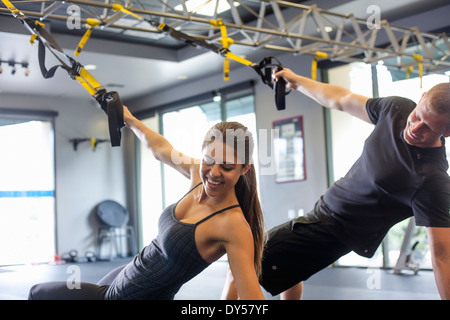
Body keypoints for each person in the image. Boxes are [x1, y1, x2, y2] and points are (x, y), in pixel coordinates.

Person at [222, 68, 450, 300]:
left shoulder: (431, 179)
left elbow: (443, 256)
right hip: (321, 212)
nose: (415, 128)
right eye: (418, 116)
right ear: (420, 99)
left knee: (242, 261)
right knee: (289, 274)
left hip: (333, 232)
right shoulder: (397, 109)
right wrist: (297, 81)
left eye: (429, 128)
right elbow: (341, 99)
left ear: (448, 132)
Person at [28, 107, 266, 300]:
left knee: (38, 294)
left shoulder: (233, 225)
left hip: (127, 296)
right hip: (126, 274)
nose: (213, 173)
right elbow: (161, 148)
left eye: (226, 167)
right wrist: (129, 119)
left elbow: (251, 296)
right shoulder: (196, 173)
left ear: (244, 168)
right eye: (208, 161)